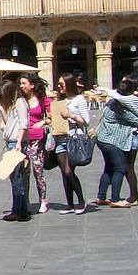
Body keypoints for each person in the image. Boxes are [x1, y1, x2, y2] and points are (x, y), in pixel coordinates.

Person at [95, 76, 138, 208]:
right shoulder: (120, 106)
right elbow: (136, 120)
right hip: (111, 141)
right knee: (121, 168)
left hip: (102, 138)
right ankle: (116, 198)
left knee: (109, 167)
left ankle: (101, 196)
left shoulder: (111, 102)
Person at [53, 74, 90, 214]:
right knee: (64, 172)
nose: (59, 86)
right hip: (60, 138)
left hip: (73, 138)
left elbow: (86, 121)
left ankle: (81, 201)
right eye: (58, 84)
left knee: (69, 170)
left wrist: (71, 116)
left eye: (61, 84)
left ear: (69, 84)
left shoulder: (79, 99)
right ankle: (69, 204)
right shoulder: (60, 99)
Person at [0, 79, 30, 222]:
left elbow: (24, 124)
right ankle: (17, 209)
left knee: (18, 178)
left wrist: (18, 143)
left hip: (17, 144)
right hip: (11, 143)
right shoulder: (13, 105)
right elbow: (8, 123)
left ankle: (21, 211)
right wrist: (1, 109)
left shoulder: (20, 103)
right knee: (14, 178)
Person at [19, 75, 52, 214]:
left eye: (24, 83)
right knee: (24, 172)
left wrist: (43, 122)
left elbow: (51, 116)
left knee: (38, 170)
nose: (21, 86)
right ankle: (25, 201)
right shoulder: (20, 100)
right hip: (24, 139)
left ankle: (43, 200)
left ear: (32, 85)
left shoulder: (42, 99)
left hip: (38, 139)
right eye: (20, 83)